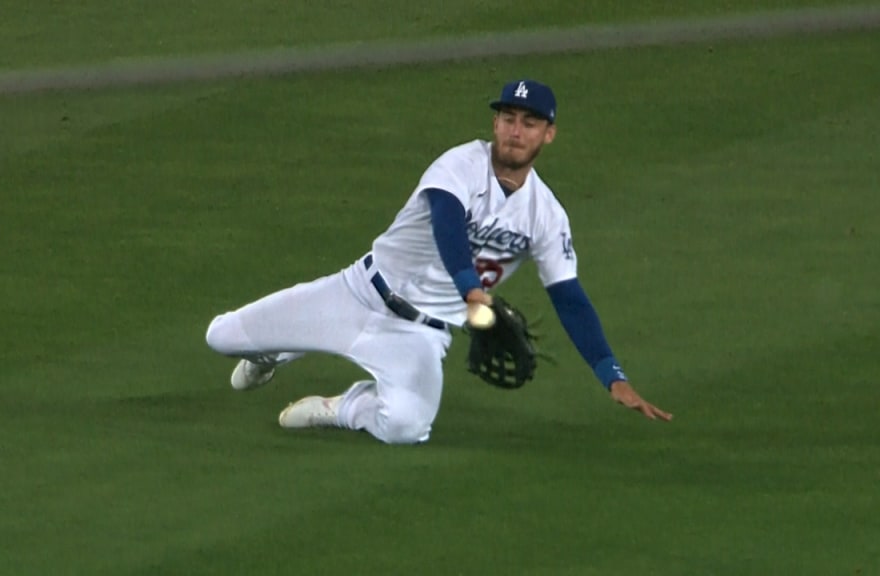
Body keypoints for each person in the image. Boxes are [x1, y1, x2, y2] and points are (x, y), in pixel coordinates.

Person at [205, 79, 672, 445]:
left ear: (548, 134)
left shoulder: (546, 215)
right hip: (358, 292)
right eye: (508, 117)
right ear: (495, 125)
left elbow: (569, 297)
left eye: (529, 123)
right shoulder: (460, 164)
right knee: (221, 337)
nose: (514, 129)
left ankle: (342, 409)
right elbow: (446, 223)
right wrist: (470, 286)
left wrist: (612, 376)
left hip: (418, 334)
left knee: (407, 428)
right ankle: (272, 353)